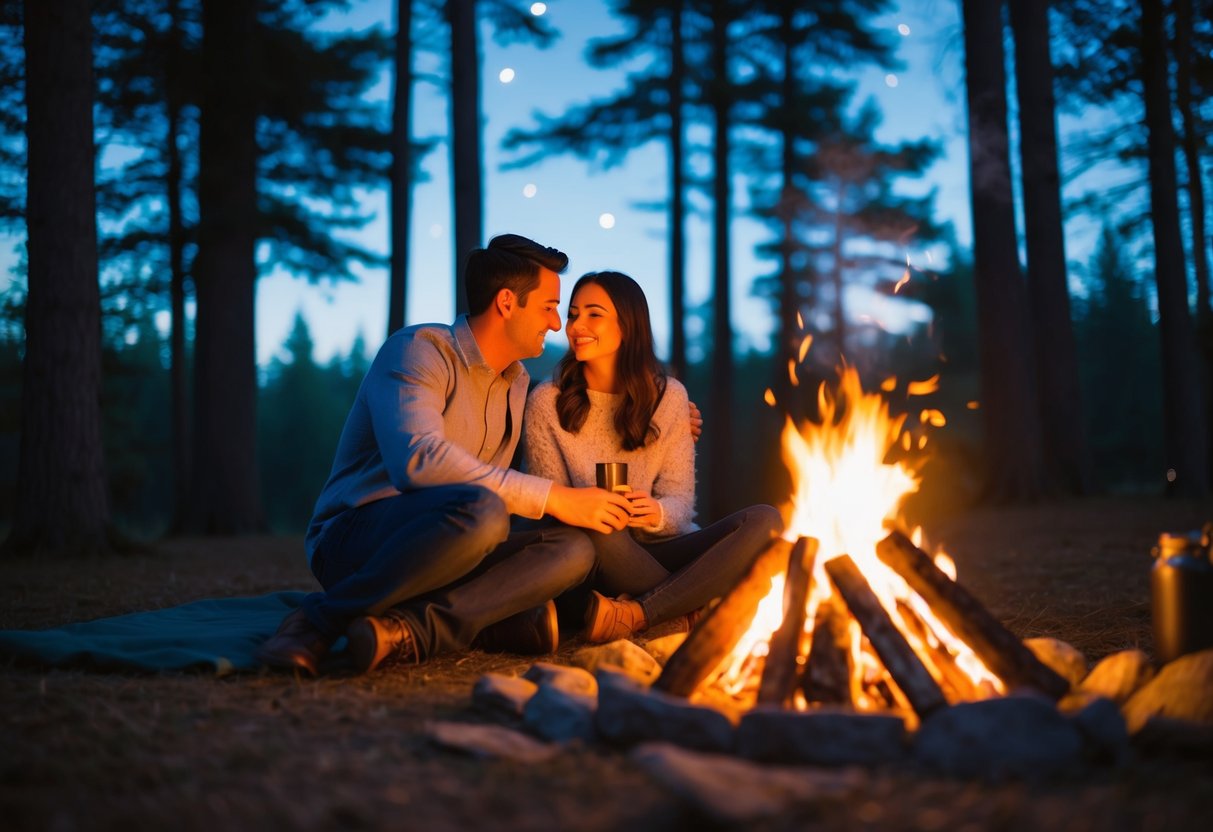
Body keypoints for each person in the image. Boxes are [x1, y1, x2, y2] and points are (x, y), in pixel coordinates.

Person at [256, 235, 635, 676]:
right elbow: (418, 460)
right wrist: (554, 497)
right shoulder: (420, 350)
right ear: (507, 302)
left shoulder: (516, 383)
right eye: (549, 306)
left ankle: (409, 631)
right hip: (356, 537)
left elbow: (571, 418)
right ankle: (318, 619)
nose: (556, 324)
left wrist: (655, 409)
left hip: (463, 543)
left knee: (573, 549)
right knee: (485, 512)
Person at [524, 271, 783, 643]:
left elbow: (681, 504)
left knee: (765, 520)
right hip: (593, 560)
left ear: (628, 326)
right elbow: (552, 513)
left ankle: (640, 614)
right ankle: (688, 608)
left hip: (657, 549)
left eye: (593, 314)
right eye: (573, 314)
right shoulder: (547, 402)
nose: (577, 326)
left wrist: (656, 512)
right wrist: (593, 508)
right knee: (602, 529)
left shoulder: (669, 398)